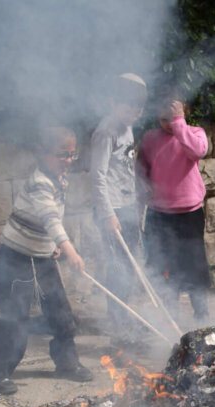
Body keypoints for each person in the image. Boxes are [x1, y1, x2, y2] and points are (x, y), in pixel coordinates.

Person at [0, 127, 94, 395]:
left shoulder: (59, 179)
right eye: (61, 155)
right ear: (41, 153)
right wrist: (69, 250)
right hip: (16, 258)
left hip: (43, 258)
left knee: (61, 314)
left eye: (72, 155)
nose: (68, 160)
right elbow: (49, 218)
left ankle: (67, 363)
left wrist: (54, 245)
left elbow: (54, 219)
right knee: (15, 318)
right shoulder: (39, 183)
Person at [138, 94, 211, 321]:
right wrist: (144, 185)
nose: (168, 124)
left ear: (184, 112)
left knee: (194, 265)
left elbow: (198, 152)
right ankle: (171, 318)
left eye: (172, 118)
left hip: (189, 214)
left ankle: (201, 313)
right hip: (159, 214)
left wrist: (179, 123)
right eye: (163, 119)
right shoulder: (150, 138)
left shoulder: (195, 134)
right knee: (163, 267)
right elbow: (141, 167)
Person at [89, 73, 148, 343]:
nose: (134, 113)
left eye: (138, 109)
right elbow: (97, 175)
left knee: (130, 265)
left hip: (128, 206)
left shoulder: (128, 127)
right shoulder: (105, 132)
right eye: (129, 107)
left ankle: (126, 318)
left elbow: (126, 169)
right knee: (118, 269)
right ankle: (118, 326)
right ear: (113, 102)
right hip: (111, 211)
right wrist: (108, 213)